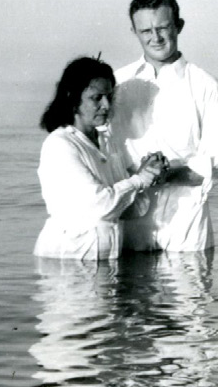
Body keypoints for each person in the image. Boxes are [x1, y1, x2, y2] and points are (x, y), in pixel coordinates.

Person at [108, 0, 218, 253]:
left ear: (179, 26)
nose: (156, 38)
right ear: (134, 31)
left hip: (186, 228)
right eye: (146, 31)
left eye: (163, 28)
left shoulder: (206, 86)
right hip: (129, 225)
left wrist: (166, 175)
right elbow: (107, 153)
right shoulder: (119, 83)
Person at [34, 56, 167, 260]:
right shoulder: (60, 145)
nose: (106, 105)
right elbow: (100, 206)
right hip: (68, 261)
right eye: (96, 98)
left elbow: (132, 210)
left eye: (109, 97)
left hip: (103, 263)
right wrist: (139, 179)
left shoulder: (107, 141)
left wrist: (146, 173)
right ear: (72, 97)